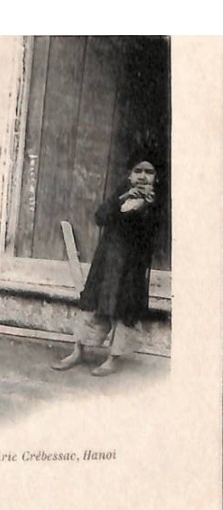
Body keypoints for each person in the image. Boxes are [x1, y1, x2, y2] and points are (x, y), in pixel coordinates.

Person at [52, 152, 162, 377]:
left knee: (123, 308)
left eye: (148, 172)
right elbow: (100, 217)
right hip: (108, 260)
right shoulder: (122, 195)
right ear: (129, 175)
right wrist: (121, 199)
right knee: (93, 301)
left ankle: (114, 357)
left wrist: (147, 210)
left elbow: (152, 236)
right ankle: (78, 350)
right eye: (137, 171)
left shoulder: (156, 203)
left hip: (132, 265)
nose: (142, 177)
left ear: (157, 178)